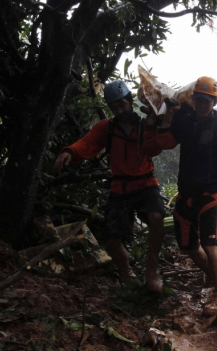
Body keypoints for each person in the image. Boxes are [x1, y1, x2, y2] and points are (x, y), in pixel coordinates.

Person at [144, 76, 217, 316]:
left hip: (210, 194)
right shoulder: (185, 121)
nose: (203, 104)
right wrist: (166, 117)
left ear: (214, 102)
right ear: (193, 100)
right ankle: (214, 277)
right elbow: (164, 142)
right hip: (186, 194)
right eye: (199, 100)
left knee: (210, 244)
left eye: (207, 101)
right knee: (187, 247)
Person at [54, 80, 166, 292]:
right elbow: (87, 144)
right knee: (113, 239)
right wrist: (69, 152)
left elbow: (155, 148)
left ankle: (152, 270)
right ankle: (128, 275)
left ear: (129, 102)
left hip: (145, 183)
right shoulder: (107, 128)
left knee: (157, 218)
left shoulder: (144, 125)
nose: (120, 110)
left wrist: (157, 121)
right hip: (120, 187)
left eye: (122, 105)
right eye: (115, 107)